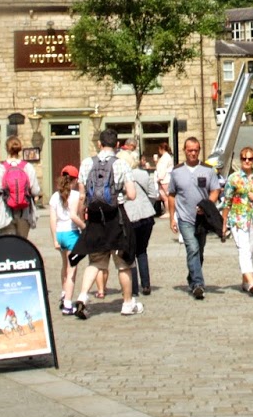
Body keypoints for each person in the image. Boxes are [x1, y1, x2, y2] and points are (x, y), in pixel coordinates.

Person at [70, 127, 140, 318]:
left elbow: (82, 195)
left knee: (96, 261)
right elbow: (132, 194)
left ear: (99, 144)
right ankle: (127, 303)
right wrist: (120, 193)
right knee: (123, 263)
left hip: (94, 218)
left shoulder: (86, 163)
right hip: (116, 218)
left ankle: (83, 296)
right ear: (117, 145)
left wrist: (82, 216)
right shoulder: (122, 164)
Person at [166, 136, 221, 299]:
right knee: (193, 248)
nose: (193, 153)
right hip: (185, 217)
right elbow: (171, 195)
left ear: (199, 151)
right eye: (190, 150)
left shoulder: (208, 170)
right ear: (184, 150)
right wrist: (172, 217)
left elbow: (215, 190)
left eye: (196, 150)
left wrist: (207, 205)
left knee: (199, 251)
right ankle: (198, 284)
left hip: (202, 219)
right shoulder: (177, 171)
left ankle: (192, 278)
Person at [223, 146, 253, 294]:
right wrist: (223, 223)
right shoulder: (234, 178)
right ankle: (251, 281)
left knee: (249, 250)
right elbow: (227, 201)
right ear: (240, 159)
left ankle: (245, 282)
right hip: (238, 219)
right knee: (243, 249)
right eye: (244, 158)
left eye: (250, 158)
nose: (247, 161)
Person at [122, 155, 162, 296]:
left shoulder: (120, 176)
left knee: (130, 252)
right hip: (146, 216)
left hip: (129, 217)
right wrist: (146, 206)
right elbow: (153, 194)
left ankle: (133, 288)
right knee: (142, 250)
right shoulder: (143, 174)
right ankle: (146, 285)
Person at [0, 136, 41, 239]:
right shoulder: (28, 166)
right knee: (22, 243)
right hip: (24, 211)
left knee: (8, 243)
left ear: (6, 148)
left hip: (4, 211)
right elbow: (35, 191)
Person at [49, 164, 83, 314]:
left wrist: (54, 239)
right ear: (75, 180)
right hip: (71, 234)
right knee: (72, 271)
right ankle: (68, 304)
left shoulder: (54, 196)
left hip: (60, 234)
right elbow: (76, 216)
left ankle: (64, 293)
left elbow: (52, 219)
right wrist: (84, 227)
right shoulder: (75, 195)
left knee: (64, 265)